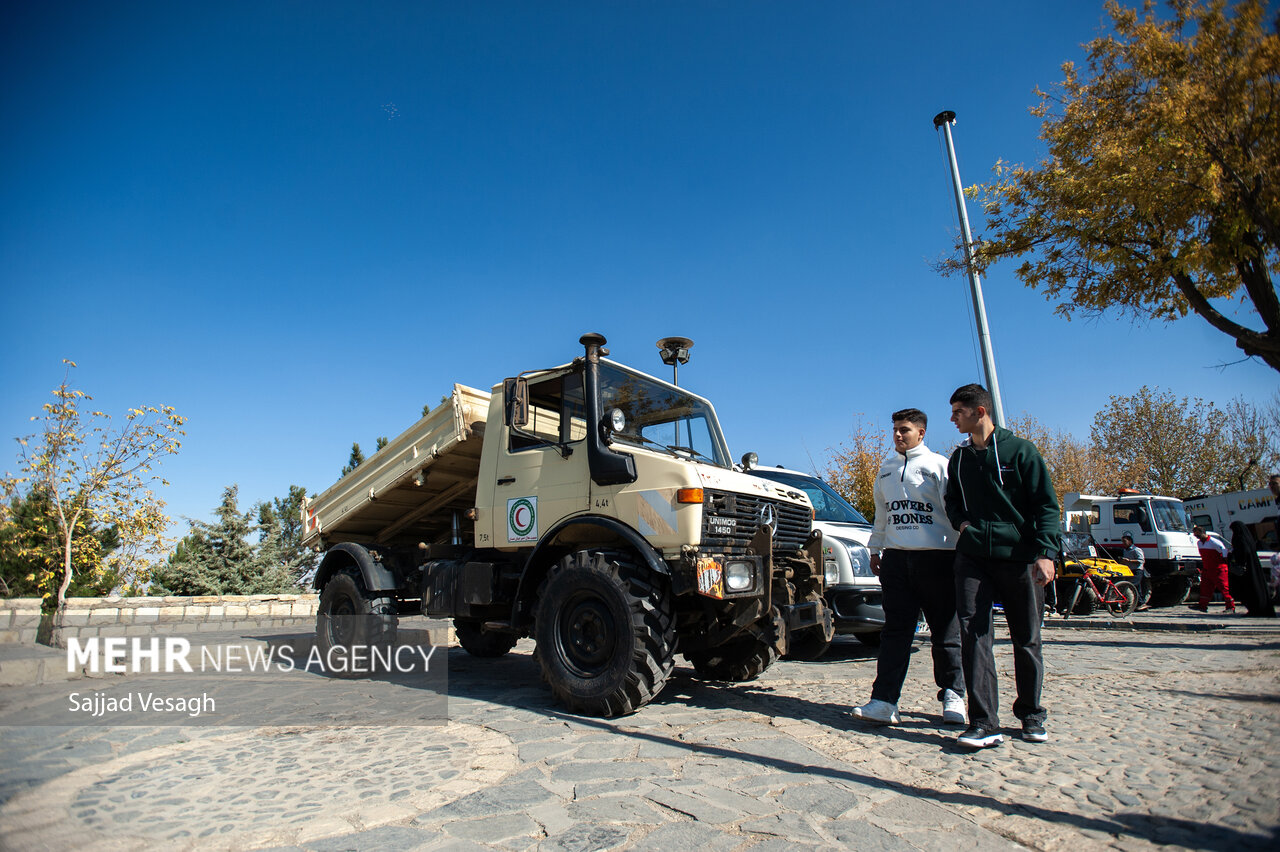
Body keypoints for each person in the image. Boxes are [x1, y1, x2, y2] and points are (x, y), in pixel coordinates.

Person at [944, 384, 1060, 749]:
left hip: (1020, 557)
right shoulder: (958, 459)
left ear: (979, 412)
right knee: (974, 636)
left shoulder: (1021, 451)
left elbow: (1045, 505)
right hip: (973, 557)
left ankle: (1031, 714)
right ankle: (984, 723)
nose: (952, 418)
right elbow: (951, 502)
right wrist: (963, 524)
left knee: (1027, 638)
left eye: (958, 411)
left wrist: (1045, 552)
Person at [851, 408, 966, 727]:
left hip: (938, 558)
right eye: (895, 430)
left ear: (921, 433)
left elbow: (953, 512)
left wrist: (962, 552)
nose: (898, 435)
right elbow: (882, 513)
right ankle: (884, 701)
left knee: (946, 632)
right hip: (897, 560)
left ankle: (954, 695)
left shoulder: (939, 465)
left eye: (905, 430)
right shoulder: (886, 469)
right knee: (895, 633)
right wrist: (876, 548)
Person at [1192, 525, 1234, 613]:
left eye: (1198, 535)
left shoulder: (1215, 542)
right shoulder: (1199, 543)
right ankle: (1202, 606)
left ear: (1203, 533)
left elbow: (1224, 555)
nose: (1196, 537)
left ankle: (1230, 607)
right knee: (1205, 588)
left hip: (1218, 569)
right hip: (1207, 569)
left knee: (1224, 588)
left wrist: (1224, 566)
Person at [1119, 533, 1150, 609]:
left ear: (1130, 541)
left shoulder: (1136, 550)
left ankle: (1131, 603)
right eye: (1122, 541)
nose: (1123, 543)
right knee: (1137, 588)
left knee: (1131, 585)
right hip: (1130, 571)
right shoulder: (1125, 550)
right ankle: (1140, 603)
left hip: (1137, 571)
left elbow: (1141, 561)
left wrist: (1129, 561)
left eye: (1125, 541)